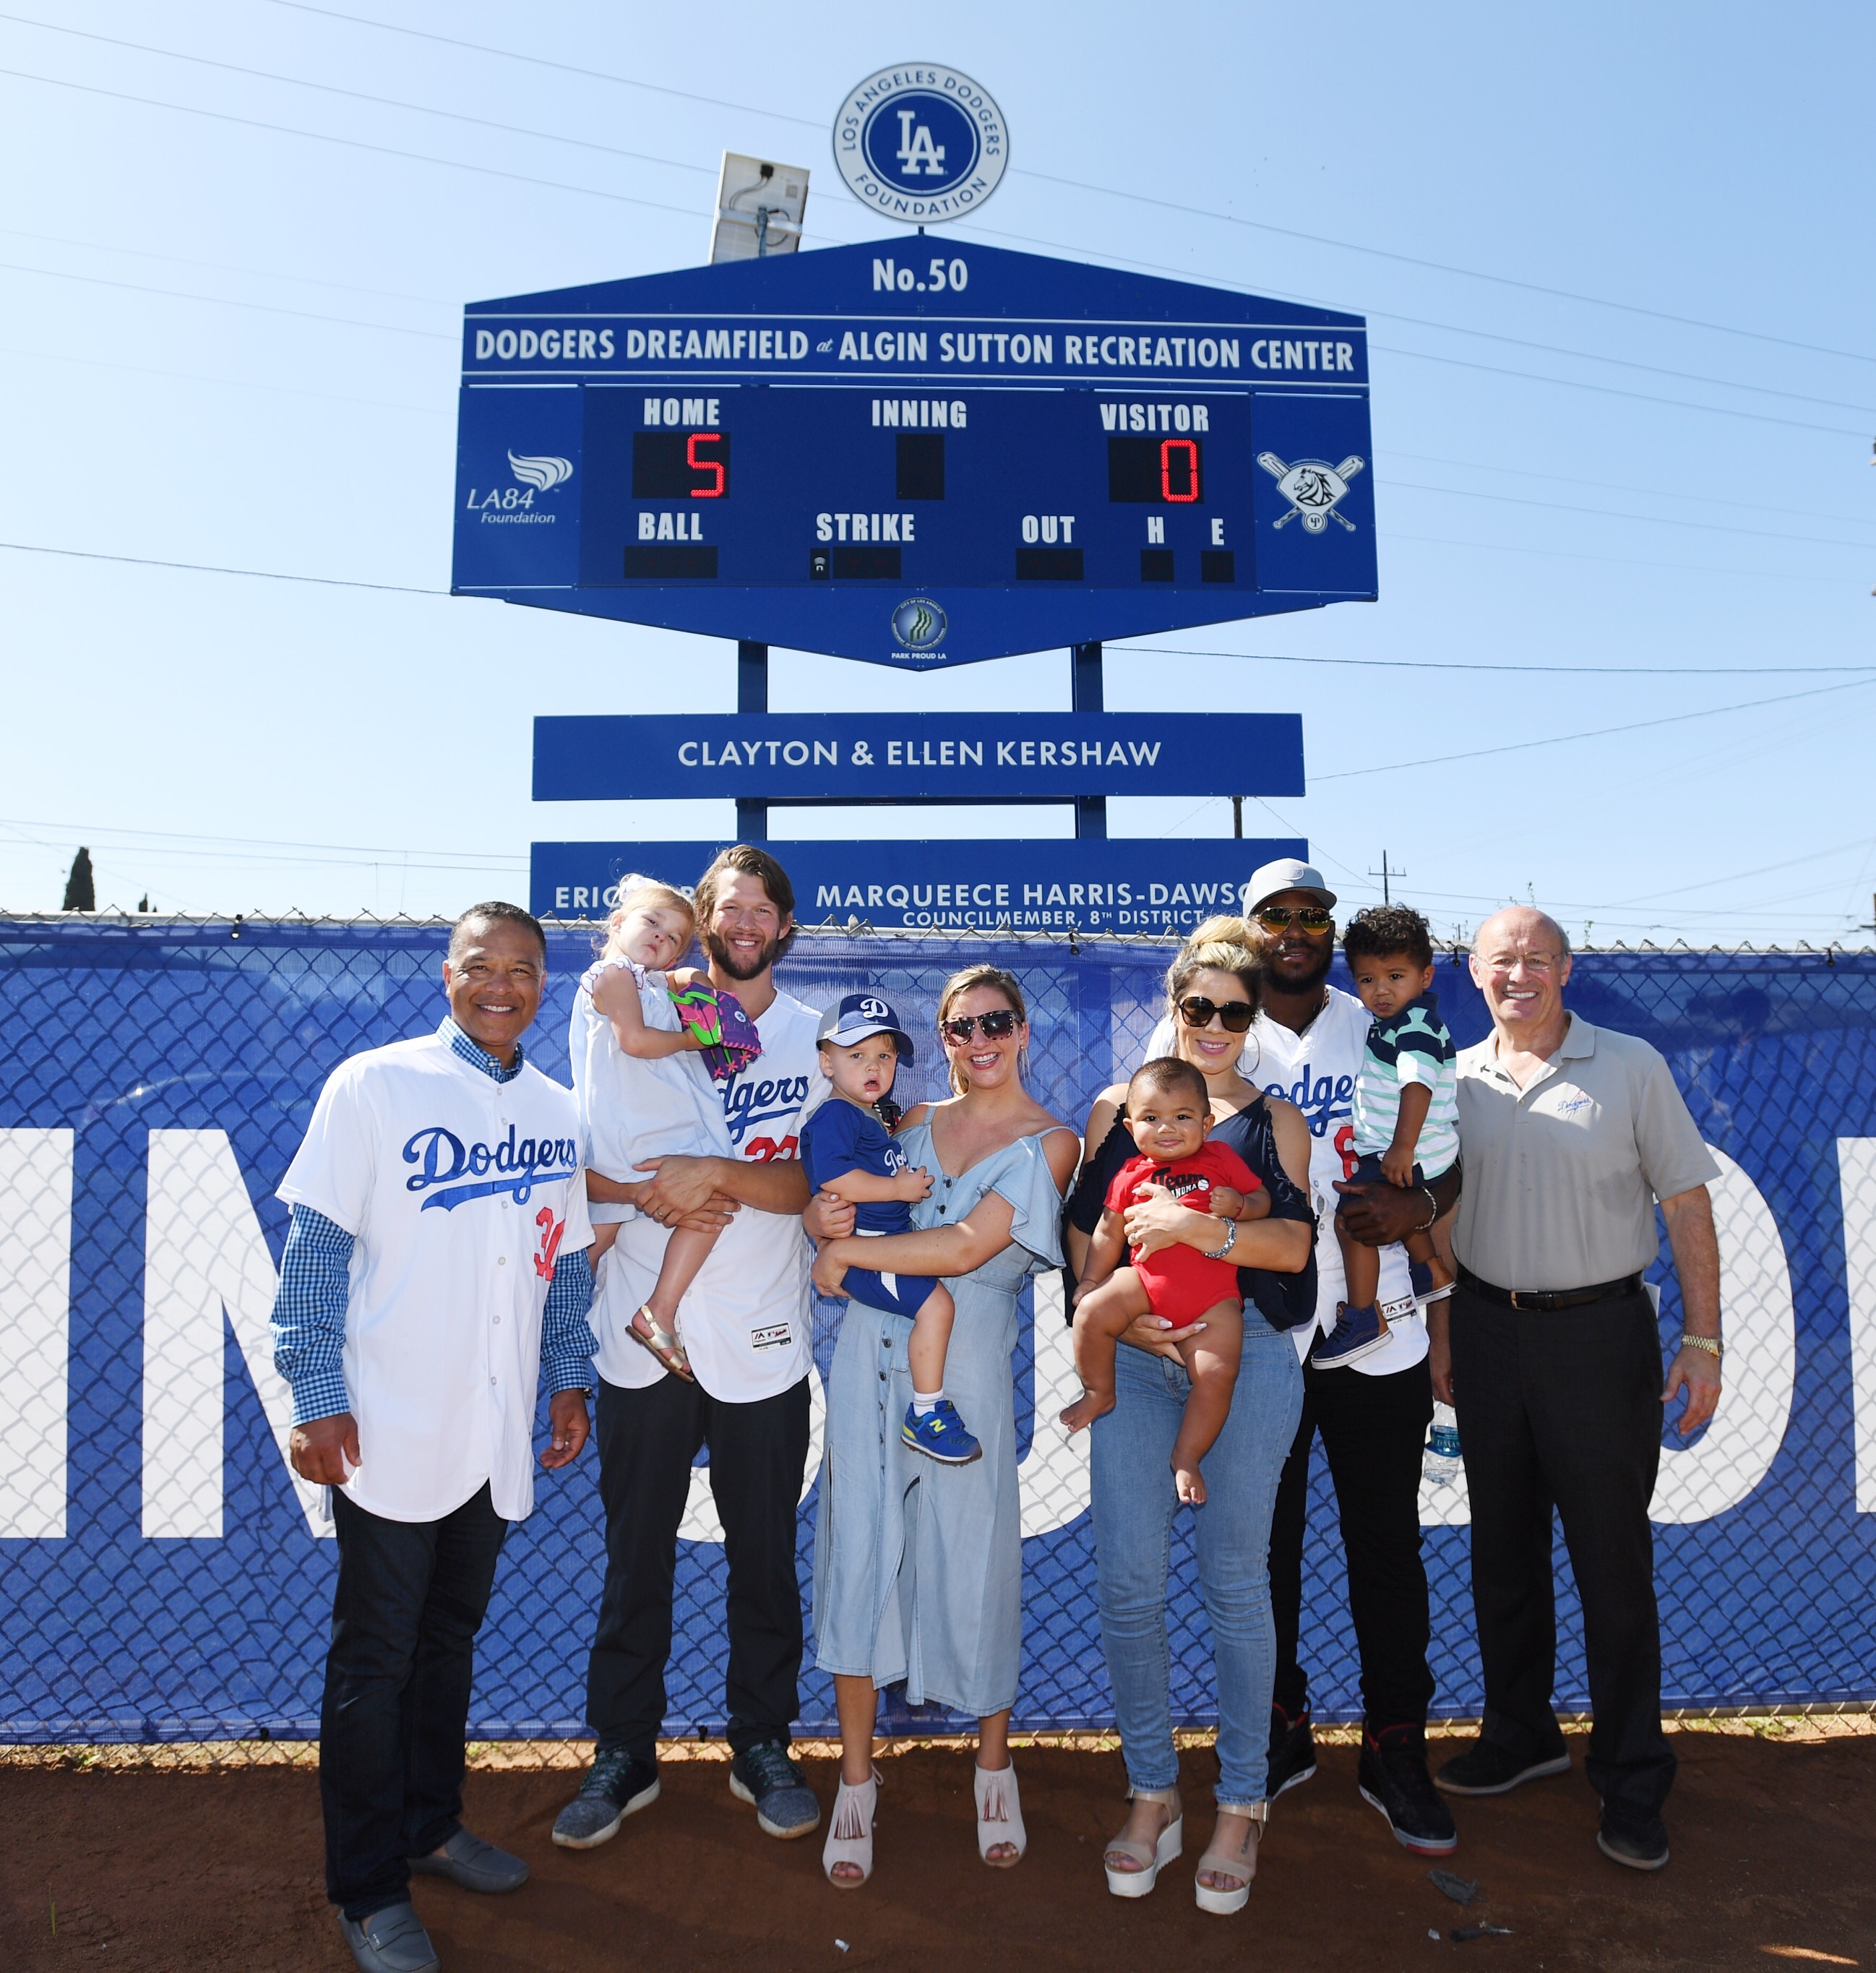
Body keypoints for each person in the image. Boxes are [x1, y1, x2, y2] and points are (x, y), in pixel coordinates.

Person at [270, 901, 598, 1973]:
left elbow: (565, 1262)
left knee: (447, 1641)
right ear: (446, 973)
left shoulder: (557, 1108)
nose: (501, 985)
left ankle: (428, 1822)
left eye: (522, 970)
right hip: (390, 1419)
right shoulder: (375, 1082)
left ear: (544, 984)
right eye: (481, 966)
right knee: (376, 1653)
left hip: (492, 1423)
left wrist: (564, 1383)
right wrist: (315, 1391)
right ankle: (367, 1886)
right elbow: (316, 1250)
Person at [1145, 867, 1462, 1855]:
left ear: (1332, 930)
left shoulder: (1377, 1008)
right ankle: (1278, 1730)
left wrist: (1427, 1204)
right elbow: (1146, 1155)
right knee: (1261, 1548)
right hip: (1256, 1324)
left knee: (1385, 1544)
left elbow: (1445, 1143)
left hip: (1377, 1323)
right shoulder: (1201, 1025)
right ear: (1246, 929)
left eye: (1309, 915)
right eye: (1272, 916)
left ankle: (1395, 1744)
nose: (1292, 930)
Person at [1432, 906, 1722, 1873]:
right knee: (1503, 1553)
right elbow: (1435, 1208)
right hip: (1484, 1328)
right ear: (1472, 973)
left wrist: (1705, 1338)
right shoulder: (1450, 1077)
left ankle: (1633, 1776)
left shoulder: (1631, 1064)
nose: (1521, 974)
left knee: (1611, 1564)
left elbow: (1686, 1200)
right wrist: (1443, 1320)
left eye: (1538, 959)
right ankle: (1523, 1734)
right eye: (1502, 960)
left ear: (1567, 968)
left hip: (1603, 1337)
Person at [552, 846, 825, 1854]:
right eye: (727, 907)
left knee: (762, 1562)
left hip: (760, 1337)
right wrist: (640, 1191)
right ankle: (624, 1751)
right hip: (640, 1339)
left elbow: (809, 1185)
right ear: (703, 922)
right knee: (636, 1562)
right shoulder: (640, 1008)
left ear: (784, 926)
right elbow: (585, 1158)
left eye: (763, 908)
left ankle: (761, 1742)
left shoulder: (804, 1037)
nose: (745, 921)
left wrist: (715, 1171)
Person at [806, 966, 1079, 1890]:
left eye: (996, 1022)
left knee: (975, 1557)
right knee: (856, 1551)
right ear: (945, 1037)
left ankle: (992, 1767)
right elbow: (832, 1191)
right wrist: (822, 1215)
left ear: (1024, 1030)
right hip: (868, 1366)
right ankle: (855, 1779)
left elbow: (966, 1248)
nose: (979, 1041)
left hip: (961, 1381)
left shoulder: (1052, 1142)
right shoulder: (904, 1121)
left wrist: (844, 1249)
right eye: (961, 1028)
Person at [1065, 933, 1313, 1914]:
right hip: (1135, 1356)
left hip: (1242, 1356)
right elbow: (1083, 1243)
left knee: (1234, 1586)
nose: (1214, 1028)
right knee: (1128, 1578)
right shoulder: (1114, 1113)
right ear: (1174, 1007)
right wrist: (1124, 1319)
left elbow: (1293, 1245)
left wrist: (1204, 1231)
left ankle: (1243, 1802)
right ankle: (1152, 1792)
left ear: (1255, 1022)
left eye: (1235, 1012)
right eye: (1198, 1008)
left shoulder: (1274, 1120)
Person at [1062, 1054, 1270, 1503]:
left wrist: (1239, 1205)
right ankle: (1099, 1391)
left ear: (1207, 1123)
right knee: (1092, 1313)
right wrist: (1091, 1281)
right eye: (1151, 1118)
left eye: (1182, 1117)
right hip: (1144, 1282)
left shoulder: (1222, 1159)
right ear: (1130, 1127)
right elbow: (1106, 1232)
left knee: (1217, 1373)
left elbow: (1262, 1199)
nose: (1167, 1128)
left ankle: (1188, 1456)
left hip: (1214, 1297)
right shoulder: (1130, 1174)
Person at [576, 877, 761, 1377]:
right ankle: (647, 1311)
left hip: (643, 1133)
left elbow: (685, 983)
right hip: (635, 1133)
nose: (661, 938)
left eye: (676, 938)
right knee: (702, 1204)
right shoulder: (613, 974)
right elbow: (634, 1041)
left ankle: (640, 1313)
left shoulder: (651, 981)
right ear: (617, 923)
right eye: (652, 922)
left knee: (605, 1235)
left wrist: (692, 984)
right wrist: (692, 1042)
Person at [800, 992, 977, 1464]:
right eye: (856, 1055)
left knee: (935, 1306)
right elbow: (833, 1177)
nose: (872, 1066)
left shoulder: (874, 1118)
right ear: (827, 1063)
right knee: (937, 1307)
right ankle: (926, 1413)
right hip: (869, 1249)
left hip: (880, 1246)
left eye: (884, 1055)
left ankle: (923, 1406)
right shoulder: (837, 1114)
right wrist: (896, 1190)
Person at [1320, 905, 1460, 1367]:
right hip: (1411, 1150)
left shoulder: (1415, 1026)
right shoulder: (1396, 1022)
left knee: (1353, 1222)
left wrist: (1401, 1148)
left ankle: (1364, 1317)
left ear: (1425, 976)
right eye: (1366, 980)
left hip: (1410, 1150)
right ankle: (1430, 1271)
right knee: (1391, 1209)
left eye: (1395, 976)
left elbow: (1416, 1085)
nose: (1380, 990)